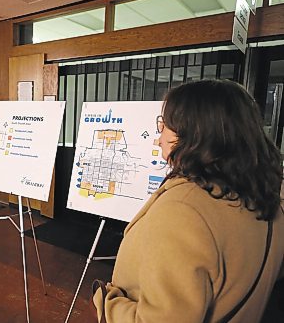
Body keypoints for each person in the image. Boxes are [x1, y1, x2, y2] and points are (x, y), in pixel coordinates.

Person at [93, 79, 284, 322]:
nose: (158, 136)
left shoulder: (185, 209)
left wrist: (107, 303)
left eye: (165, 125)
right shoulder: (268, 191)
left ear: (193, 134)